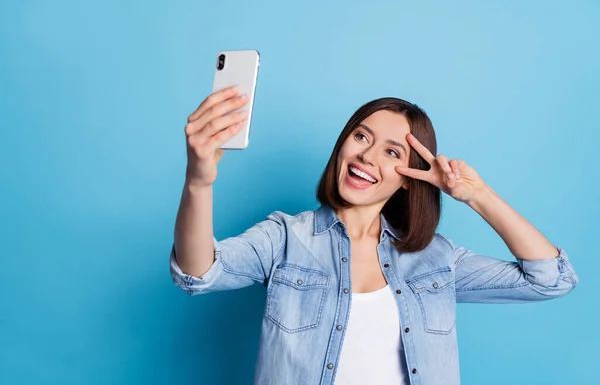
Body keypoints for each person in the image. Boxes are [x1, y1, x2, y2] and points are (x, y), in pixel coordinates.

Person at [169, 86, 579, 385]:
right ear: (343, 144)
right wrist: (198, 182)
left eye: (392, 152)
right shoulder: (285, 238)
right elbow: (198, 273)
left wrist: (477, 196)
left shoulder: (435, 258)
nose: (367, 156)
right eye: (361, 136)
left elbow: (550, 279)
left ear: (408, 178)